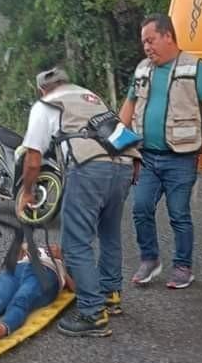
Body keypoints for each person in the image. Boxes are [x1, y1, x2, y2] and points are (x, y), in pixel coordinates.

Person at [18, 67, 140, 337]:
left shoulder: (45, 105)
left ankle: (92, 312)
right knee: (109, 233)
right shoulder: (89, 97)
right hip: (124, 165)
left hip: (89, 168)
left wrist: (28, 192)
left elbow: (33, 159)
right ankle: (110, 294)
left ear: (42, 90)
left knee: (75, 242)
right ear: (66, 82)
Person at [119, 13, 202, 289]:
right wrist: (116, 140)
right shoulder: (142, 69)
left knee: (179, 214)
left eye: (151, 40)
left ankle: (183, 267)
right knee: (140, 207)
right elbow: (129, 106)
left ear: (168, 36)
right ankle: (149, 260)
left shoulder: (194, 67)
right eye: (144, 43)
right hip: (147, 156)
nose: (147, 47)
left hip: (182, 157)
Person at [0, 243, 74, 347]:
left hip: (45, 272)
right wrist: (23, 248)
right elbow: (16, 258)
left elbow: (75, 288)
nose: (53, 245)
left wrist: (61, 259)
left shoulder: (69, 259)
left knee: (21, 299)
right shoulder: (37, 246)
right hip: (17, 268)